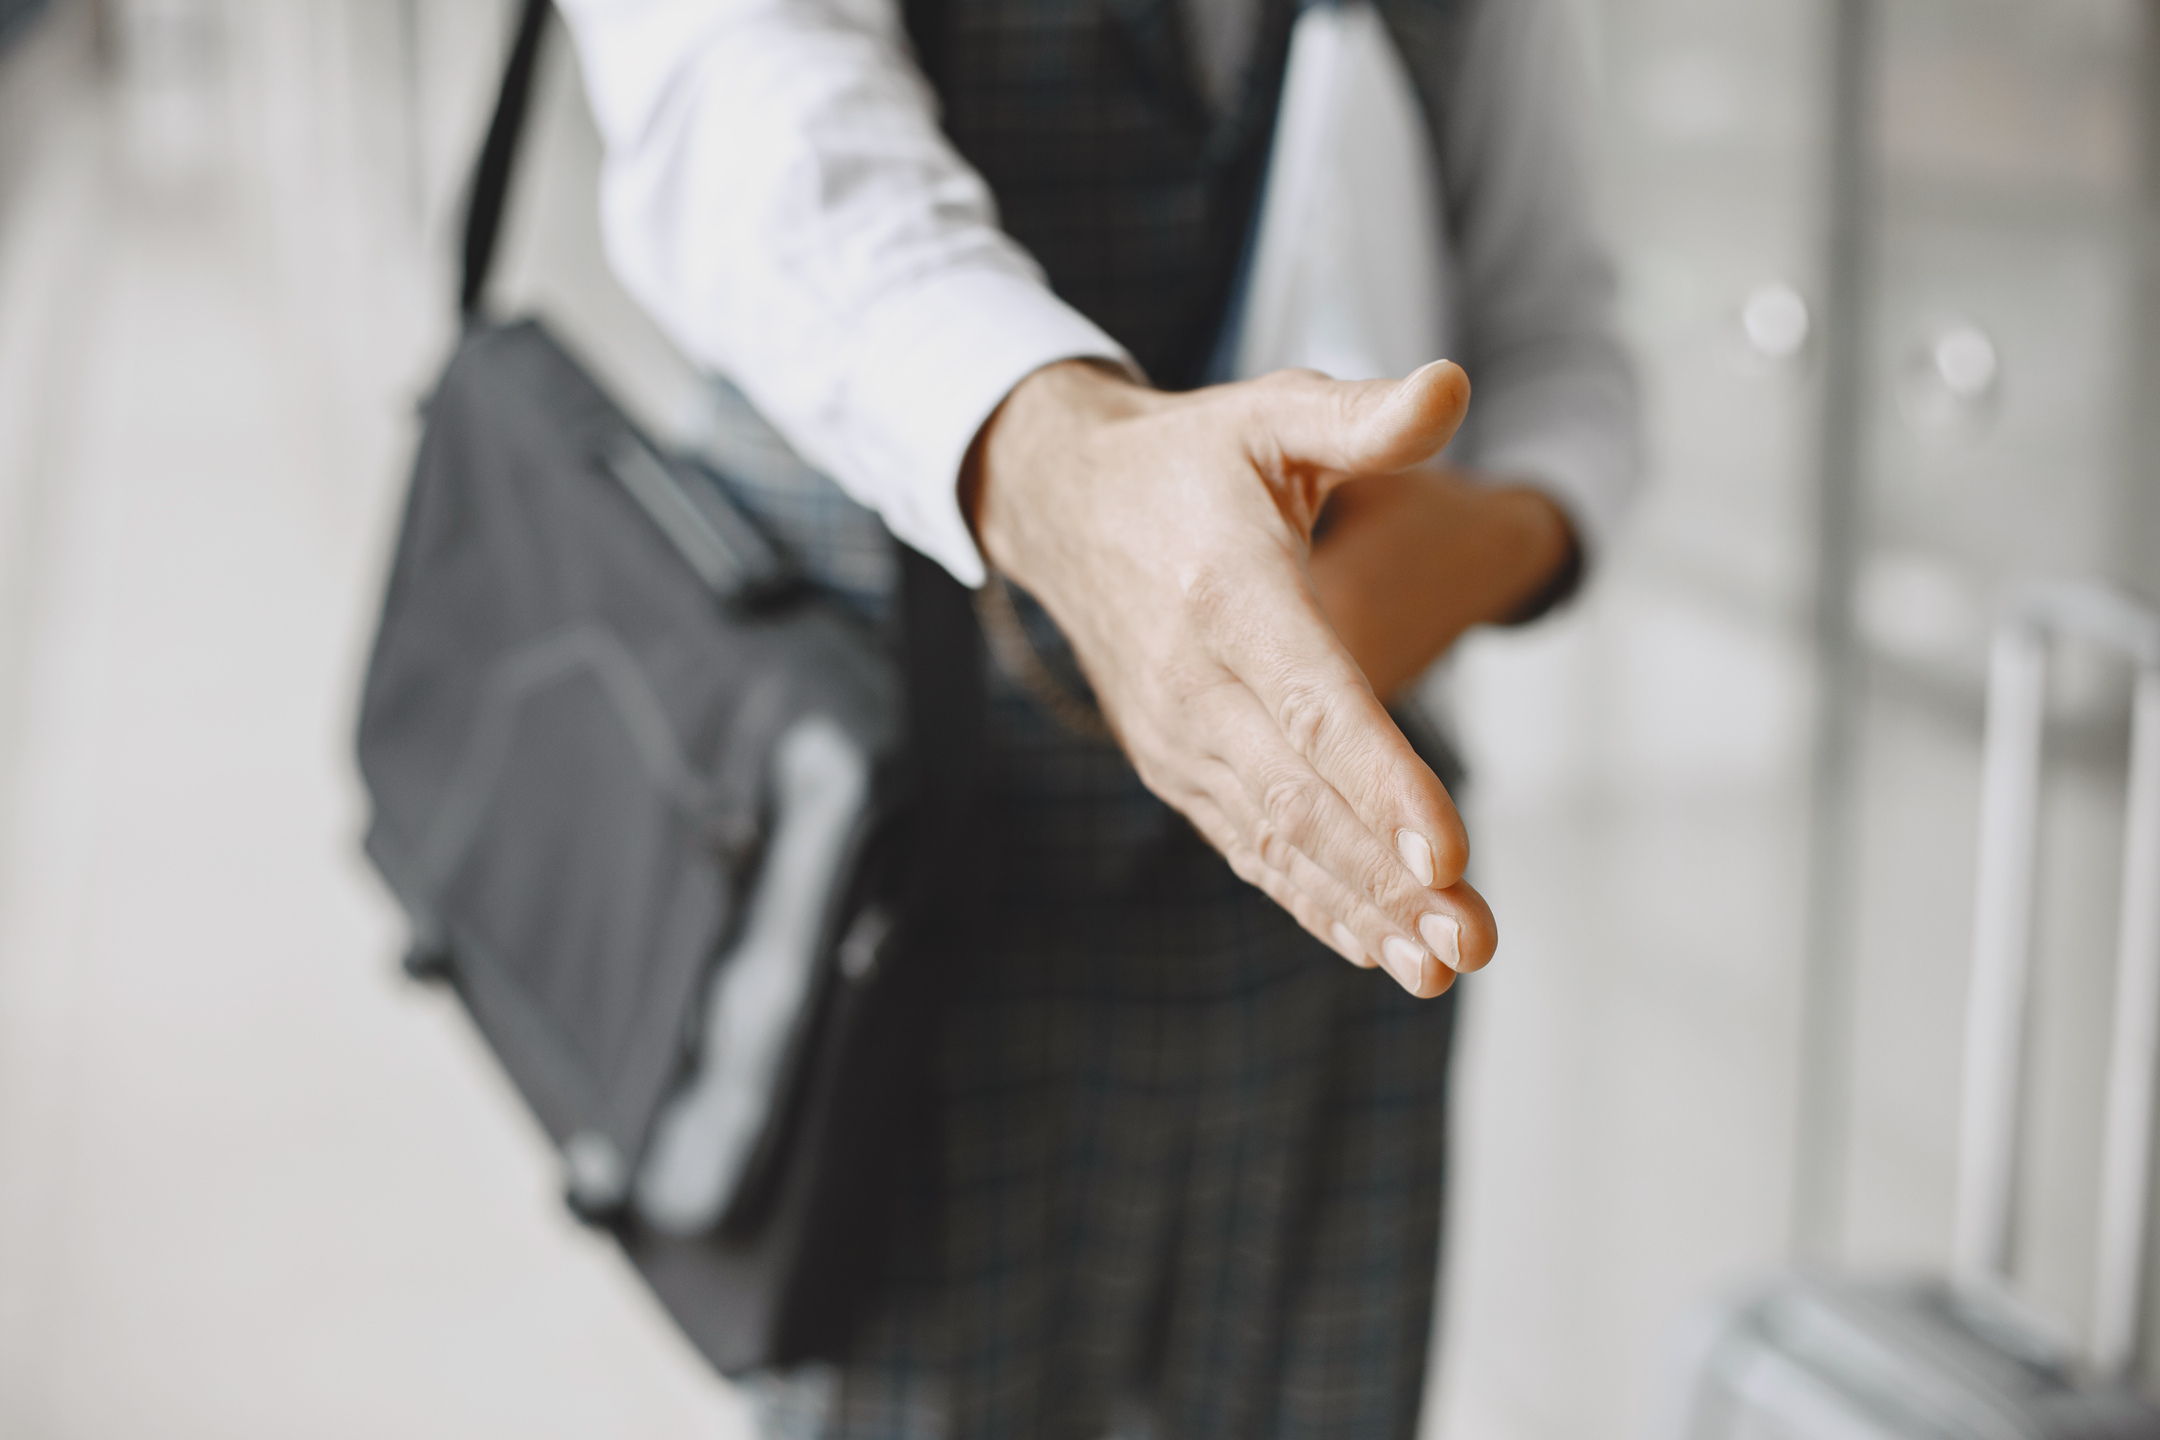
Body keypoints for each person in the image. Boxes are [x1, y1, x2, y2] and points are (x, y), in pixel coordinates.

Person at [559, 0, 1637, 1432]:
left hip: (1332, 949)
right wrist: (1058, 462)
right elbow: (742, 111)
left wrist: (1497, 540)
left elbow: (1559, 334)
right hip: (916, 910)